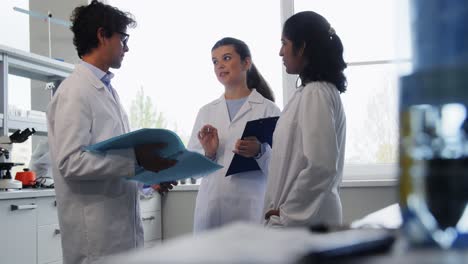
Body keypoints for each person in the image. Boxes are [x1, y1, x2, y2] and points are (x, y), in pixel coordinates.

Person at [47, 1, 176, 263]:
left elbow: (113, 164)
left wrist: (148, 178)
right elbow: (71, 163)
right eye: (123, 38)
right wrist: (136, 159)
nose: (127, 48)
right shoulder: (75, 91)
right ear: (102, 35)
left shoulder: (107, 90)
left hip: (120, 234)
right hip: (96, 242)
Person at [263, 11, 347, 227]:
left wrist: (288, 213)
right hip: (305, 218)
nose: (280, 52)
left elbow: (321, 165)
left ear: (302, 47)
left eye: (285, 43)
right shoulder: (315, 91)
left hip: (303, 220)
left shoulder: (316, 93)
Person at [188, 37, 281, 232]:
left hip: (250, 209)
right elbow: (193, 172)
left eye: (227, 58)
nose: (220, 65)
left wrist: (259, 152)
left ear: (246, 62)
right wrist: (209, 154)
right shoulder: (207, 111)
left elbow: (281, 171)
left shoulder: (268, 110)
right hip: (211, 210)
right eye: (215, 61)